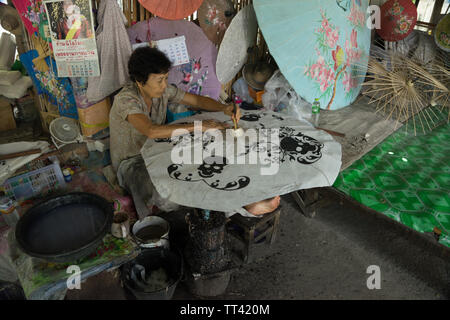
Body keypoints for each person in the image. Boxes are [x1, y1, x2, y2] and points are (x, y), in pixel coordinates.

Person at [110, 47, 280, 219]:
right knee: (164, 196)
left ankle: (236, 203)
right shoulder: (126, 100)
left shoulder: (162, 90)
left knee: (202, 165)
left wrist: (224, 107)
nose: (164, 85)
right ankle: (231, 209)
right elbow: (151, 131)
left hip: (157, 150)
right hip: (132, 162)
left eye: (166, 79)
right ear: (140, 81)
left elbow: (196, 100)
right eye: (159, 80)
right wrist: (200, 126)